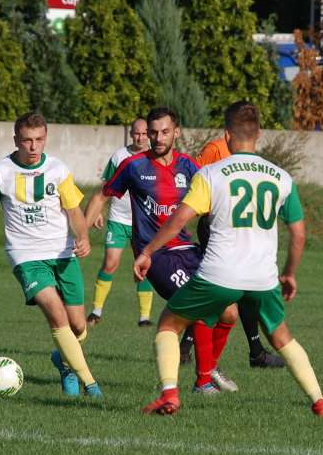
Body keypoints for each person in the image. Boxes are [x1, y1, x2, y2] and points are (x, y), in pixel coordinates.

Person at [134, 101, 323, 418]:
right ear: (258, 135)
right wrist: (289, 273)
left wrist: (148, 251)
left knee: (170, 322)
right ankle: (320, 402)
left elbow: (179, 220)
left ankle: (170, 395)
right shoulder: (281, 177)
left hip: (218, 274)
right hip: (263, 277)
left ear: (226, 136)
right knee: (282, 337)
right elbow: (299, 235)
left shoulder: (211, 173)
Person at [84, 107, 237, 395]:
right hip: (155, 256)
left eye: (164, 132)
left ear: (176, 132)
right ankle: (203, 380)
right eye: (153, 132)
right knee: (201, 302)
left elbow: (214, 201)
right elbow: (102, 194)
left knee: (229, 311)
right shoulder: (134, 166)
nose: (157, 137)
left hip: (189, 249)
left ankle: (209, 366)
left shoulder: (189, 167)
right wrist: (83, 231)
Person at [0, 112, 103, 398]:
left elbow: (74, 211)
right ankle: (91, 384)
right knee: (56, 314)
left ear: (45, 138)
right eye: (27, 140)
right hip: (26, 256)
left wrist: (83, 237)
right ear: (16, 140)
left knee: (78, 325)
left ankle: (64, 362)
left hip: (62, 254)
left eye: (39, 140)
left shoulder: (59, 170)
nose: (33, 147)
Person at [192, 135, 286, 368]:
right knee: (224, 291)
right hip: (216, 227)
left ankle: (255, 352)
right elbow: (195, 183)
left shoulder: (251, 156)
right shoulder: (214, 148)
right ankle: (196, 355)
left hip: (242, 229)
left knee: (241, 291)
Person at [87, 118, 155, 327]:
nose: (141, 138)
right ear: (131, 134)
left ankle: (144, 317)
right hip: (118, 219)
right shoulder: (119, 156)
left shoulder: (155, 157)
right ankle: (96, 312)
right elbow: (106, 186)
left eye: (145, 134)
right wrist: (99, 211)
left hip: (144, 223)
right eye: (137, 134)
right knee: (110, 263)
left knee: (143, 268)